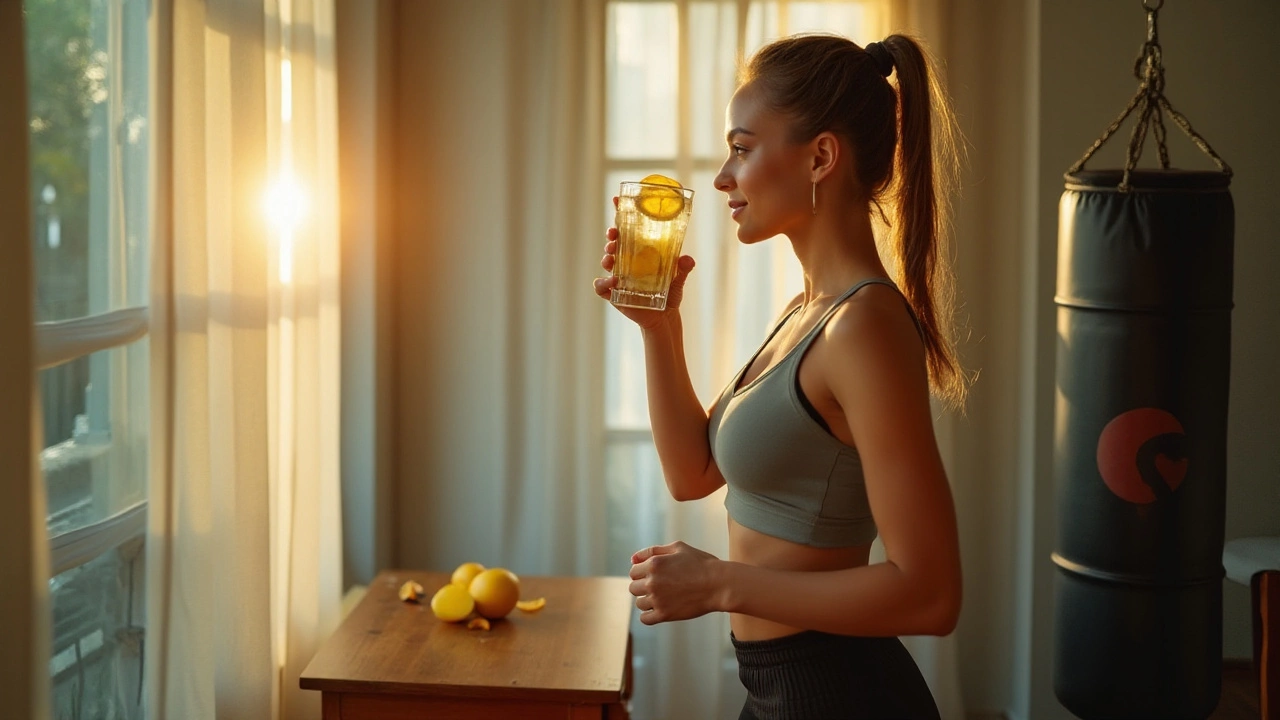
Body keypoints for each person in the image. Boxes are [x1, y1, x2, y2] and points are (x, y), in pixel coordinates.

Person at [593, 32, 967, 720]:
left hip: (839, 694)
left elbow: (931, 595)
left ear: (821, 156)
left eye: (741, 148)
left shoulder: (864, 327)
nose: (722, 178)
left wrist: (720, 584)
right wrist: (659, 326)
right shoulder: (808, 312)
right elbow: (693, 473)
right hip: (777, 689)